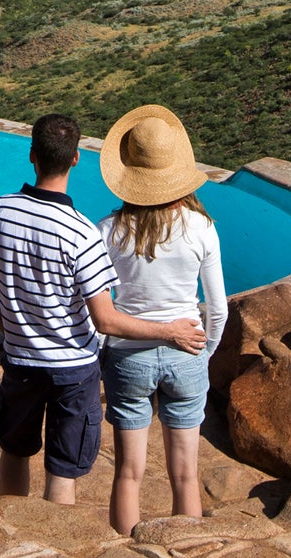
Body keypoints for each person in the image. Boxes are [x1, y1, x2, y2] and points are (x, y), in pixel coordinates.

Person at [0, 114, 207, 508]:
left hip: (21, 359)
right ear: (76, 159)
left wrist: (15, 331)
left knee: (15, 450)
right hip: (73, 369)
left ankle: (9, 528)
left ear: (32, 155)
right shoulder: (81, 233)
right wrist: (170, 331)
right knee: (63, 468)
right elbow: (105, 319)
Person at [96, 104, 228, 535]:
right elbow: (218, 307)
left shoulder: (108, 230)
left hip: (127, 357)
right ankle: (189, 547)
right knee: (186, 476)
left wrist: (104, 355)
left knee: (128, 474)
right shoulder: (201, 228)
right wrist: (203, 355)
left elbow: (97, 308)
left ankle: (124, 547)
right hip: (186, 349)